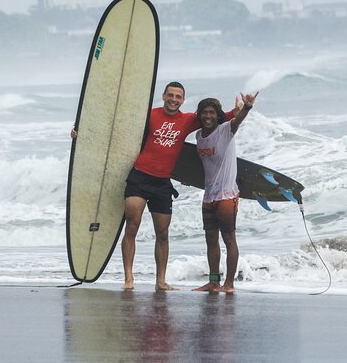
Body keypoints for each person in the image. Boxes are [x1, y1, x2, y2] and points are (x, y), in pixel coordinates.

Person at [72, 82, 237, 291]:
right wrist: (83, 133)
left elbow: (216, 117)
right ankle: (129, 279)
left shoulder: (187, 120)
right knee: (131, 226)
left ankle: (161, 281)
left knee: (163, 234)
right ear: (164, 96)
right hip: (139, 177)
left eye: (178, 97)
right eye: (171, 95)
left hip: (162, 183)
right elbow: (117, 129)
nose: (174, 100)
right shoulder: (149, 115)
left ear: (183, 101)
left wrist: (241, 110)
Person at [192, 92, 258, 293]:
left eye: (212, 112)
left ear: (218, 114)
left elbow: (237, 121)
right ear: (200, 115)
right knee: (211, 240)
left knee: (229, 240)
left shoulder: (225, 130)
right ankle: (214, 282)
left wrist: (246, 107)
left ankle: (229, 284)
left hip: (227, 196)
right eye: (204, 112)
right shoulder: (198, 136)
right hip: (209, 196)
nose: (208, 116)